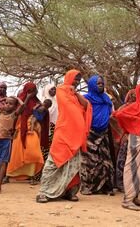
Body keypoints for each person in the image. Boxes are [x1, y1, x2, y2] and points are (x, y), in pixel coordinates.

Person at [36, 70, 92, 203]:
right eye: (75, 79)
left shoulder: (75, 95)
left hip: (76, 136)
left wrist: (77, 94)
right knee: (54, 162)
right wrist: (71, 90)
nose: (77, 82)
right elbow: (67, 107)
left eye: (79, 79)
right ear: (69, 78)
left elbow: (87, 106)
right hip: (63, 133)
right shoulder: (61, 90)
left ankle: (70, 192)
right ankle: (44, 192)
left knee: (73, 166)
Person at [113, 82, 140, 211]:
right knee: (132, 168)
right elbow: (118, 114)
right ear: (139, 93)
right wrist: (135, 123)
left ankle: (134, 197)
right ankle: (127, 199)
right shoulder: (135, 106)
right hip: (136, 137)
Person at [7, 82, 48, 184]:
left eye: (33, 91)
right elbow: (17, 113)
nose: (31, 93)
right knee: (16, 154)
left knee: (34, 152)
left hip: (32, 130)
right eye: (29, 91)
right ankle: (9, 175)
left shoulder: (38, 102)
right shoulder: (19, 100)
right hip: (20, 129)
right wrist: (27, 98)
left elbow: (42, 115)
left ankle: (32, 176)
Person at [0, 96, 27, 194]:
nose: (7, 105)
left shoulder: (14, 115)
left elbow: (23, 105)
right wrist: (3, 99)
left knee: (3, 163)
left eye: (10, 104)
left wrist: (17, 98)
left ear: (15, 106)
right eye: (6, 103)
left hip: (6, 141)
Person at [80, 75, 114, 195]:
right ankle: (87, 187)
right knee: (89, 161)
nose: (101, 85)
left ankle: (105, 187)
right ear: (92, 85)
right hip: (90, 133)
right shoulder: (86, 99)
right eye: (98, 83)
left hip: (104, 132)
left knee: (104, 160)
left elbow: (111, 113)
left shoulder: (106, 99)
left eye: (101, 83)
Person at [113, 89, 136, 192]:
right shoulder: (124, 107)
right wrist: (121, 133)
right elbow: (114, 117)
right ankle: (121, 184)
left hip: (137, 137)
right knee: (123, 160)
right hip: (126, 137)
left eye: (136, 96)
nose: (133, 98)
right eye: (132, 96)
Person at [41, 84, 58, 159]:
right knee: (44, 145)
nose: (54, 91)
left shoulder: (56, 101)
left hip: (55, 127)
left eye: (55, 89)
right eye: (52, 89)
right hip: (45, 126)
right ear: (47, 90)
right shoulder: (43, 100)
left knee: (52, 147)